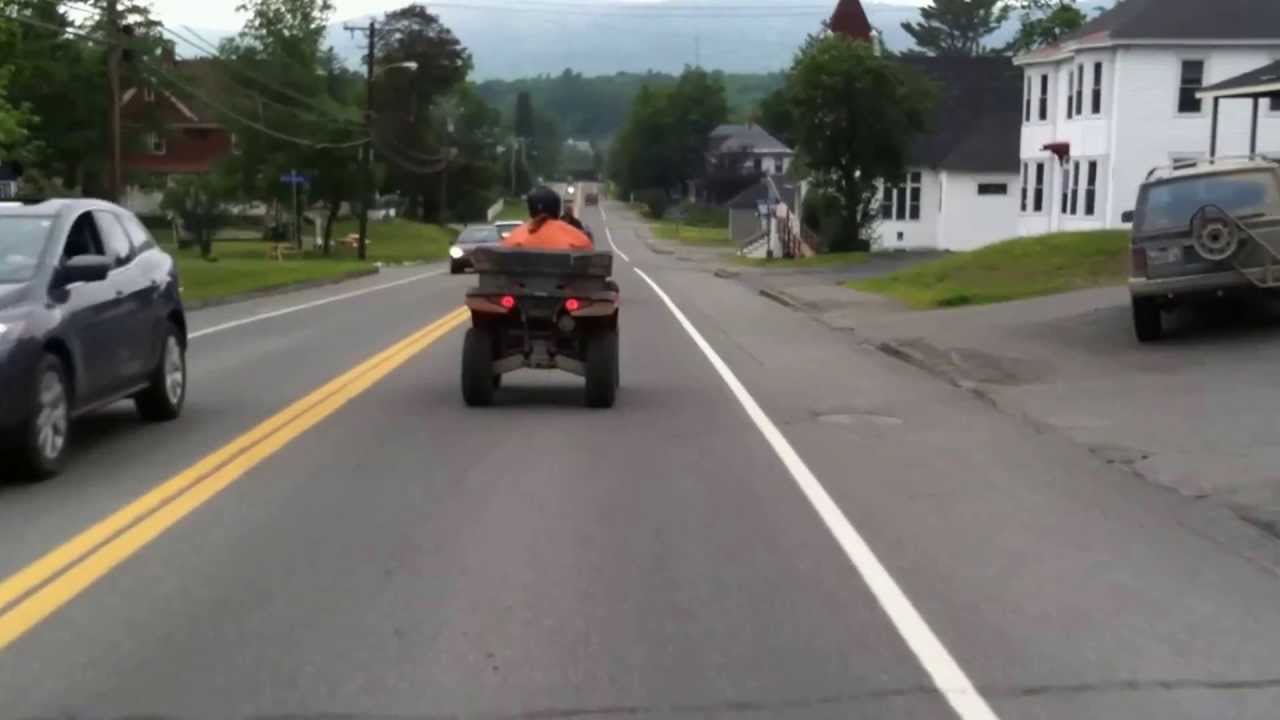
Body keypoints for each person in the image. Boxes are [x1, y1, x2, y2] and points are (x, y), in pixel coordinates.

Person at [502, 186, 593, 251]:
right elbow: (587, 248)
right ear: (557, 208)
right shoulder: (575, 236)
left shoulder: (516, 235)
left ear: (531, 209)